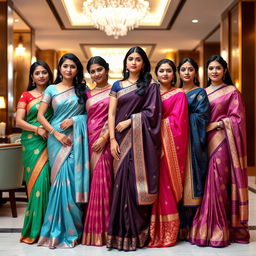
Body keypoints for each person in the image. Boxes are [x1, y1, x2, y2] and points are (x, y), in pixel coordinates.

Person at [190, 55, 250, 247]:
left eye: (218, 68)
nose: (214, 71)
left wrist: (216, 124)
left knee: (217, 181)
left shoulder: (232, 92)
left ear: (225, 71)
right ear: (206, 71)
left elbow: (237, 119)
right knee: (204, 180)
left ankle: (217, 228)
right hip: (201, 142)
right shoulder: (201, 92)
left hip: (222, 140)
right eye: (211, 68)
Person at [106, 46, 162, 251]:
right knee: (119, 184)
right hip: (119, 139)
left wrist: (130, 122)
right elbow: (111, 114)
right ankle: (118, 233)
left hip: (139, 140)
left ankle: (135, 233)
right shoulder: (117, 85)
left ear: (144, 63)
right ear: (126, 62)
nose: (134, 62)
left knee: (132, 185)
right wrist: (112, 139)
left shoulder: (150, 86)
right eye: (131, 58)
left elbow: (153, 114)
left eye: (138, 59)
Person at [37, 53, 89, 248]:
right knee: (60, 182)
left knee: (73, 183)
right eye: (65, 66)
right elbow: (41, 116)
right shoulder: (51, 89)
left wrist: (76, 120)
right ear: (60, 68)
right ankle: (56, 230)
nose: (68, 70)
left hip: (76, 138)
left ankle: (73, 229)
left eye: (73, 67)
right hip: (57, 139)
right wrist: (56, 134)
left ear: (77, 70)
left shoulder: (82, 90)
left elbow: (88, 115)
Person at [148, 59, 188, 247]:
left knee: (166, 186)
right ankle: (152, 230)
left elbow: (178, 123)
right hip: (150, 146)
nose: (165, 74)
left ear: (174, 74)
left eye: (169, 71)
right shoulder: (151, 91)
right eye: (161, 70)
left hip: (167, 148)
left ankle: (168, 232)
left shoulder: (179, 94)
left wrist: (160, 135)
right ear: (156, 73)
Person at [16, 60, 53, 244]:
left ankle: (48, 229)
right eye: (37, 73)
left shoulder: (54, 92)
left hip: (51, 143)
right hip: (32, 143)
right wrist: (36, 129)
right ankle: (34, 230)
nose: (41, 76)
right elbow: (18, 121)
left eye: (44, 72)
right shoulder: (26, 96)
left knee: (48, 183)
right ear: (32, 76)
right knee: (37, 185)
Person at [82, 56, 113, 246]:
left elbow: (117, 117)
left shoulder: (115, 90)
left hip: (106, 140)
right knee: (92, 182)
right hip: (89, 139)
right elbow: (81, 116)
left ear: (107, 70)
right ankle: (92, 230)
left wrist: (105, 137)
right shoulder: (86, 94)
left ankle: (106, 230)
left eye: (99, 69)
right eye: (93, 71)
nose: (96, 74)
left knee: (104, 181)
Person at [177, 58, 210, 240]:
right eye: (183, 69)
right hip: (174, 142)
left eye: (190, 69)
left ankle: (190, 227)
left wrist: (182, 119)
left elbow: (203, 117)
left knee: (191, 181)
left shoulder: (200, 93)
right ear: (179, 72)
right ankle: (176, 226)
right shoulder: (174, 92)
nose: (187, 72)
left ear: (195, 72)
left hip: (192, 143)